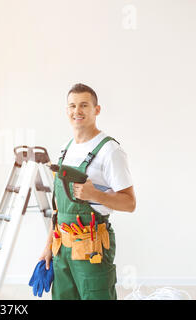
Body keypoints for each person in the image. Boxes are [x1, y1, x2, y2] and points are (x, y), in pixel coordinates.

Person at [39, 83, 136, 300]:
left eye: (84, 105)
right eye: (72, 106)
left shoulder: (110, 151)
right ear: (67, 111)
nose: (77, 111)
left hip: (92, 247)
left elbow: (130, 203)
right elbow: (58, 208)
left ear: (97, 110)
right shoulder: (66, 148)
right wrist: (48, 246)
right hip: (61, 247)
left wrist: (96, 195)